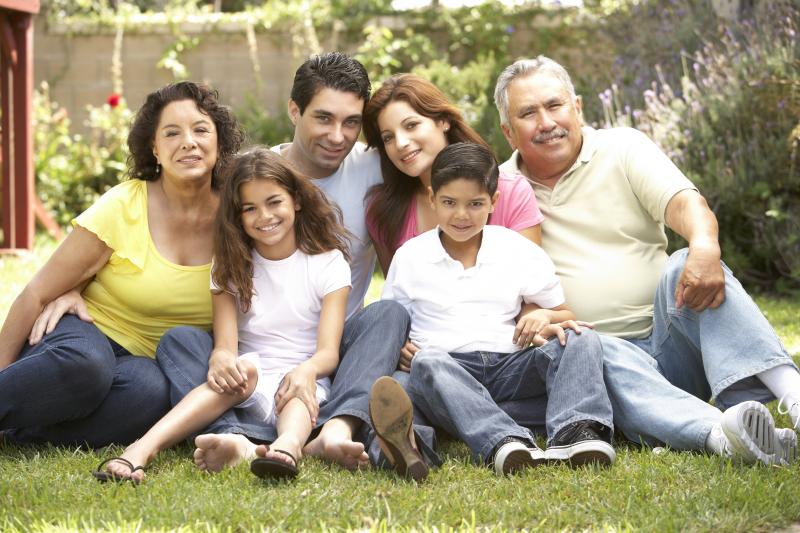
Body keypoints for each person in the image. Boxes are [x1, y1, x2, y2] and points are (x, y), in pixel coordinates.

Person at [493, 55, 798, 465]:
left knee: (684, 260)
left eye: (554, 105)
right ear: (509, 133)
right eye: (528, 113)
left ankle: (794, 396)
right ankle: (723, 433)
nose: (546, 122)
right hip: (595, 365)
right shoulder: (498, 192)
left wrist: (705, 247)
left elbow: (685, 204)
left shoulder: (623, 147)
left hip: (671, 340)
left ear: (577, 108)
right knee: (587, 342)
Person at [157, 52, 432, 474]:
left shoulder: (376, 168)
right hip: (256, 352)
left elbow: (441, 179)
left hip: (331, 347)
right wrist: (73, 284)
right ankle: (236, 435)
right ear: (294, 110)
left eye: (352, 122)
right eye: (323, 118)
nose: (338, 136)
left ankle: (335, 426)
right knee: (183, 343)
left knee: (388, 315)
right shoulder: (251, 175)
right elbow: (177, 209)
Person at [0, 82, 244, 447]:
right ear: (155, 148)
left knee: (152, 394)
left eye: (200, 130)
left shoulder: (239, 215)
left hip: (142, 364)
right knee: (87, 366)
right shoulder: (125, 205)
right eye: (172, 133)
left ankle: (19, 436)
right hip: (84, 334)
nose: (188, 142)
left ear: (220, 143)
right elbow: (36, 292)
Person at [92, 147, 351, 483]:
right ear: (237, 216)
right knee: (228, 366)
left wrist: (307, 370)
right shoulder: (231, 265)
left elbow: (328, 353)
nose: (265, 216)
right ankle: (141, 450)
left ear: (296, 201)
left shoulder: (327, 263)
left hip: (304, 377)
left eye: (274, 202)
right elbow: (226, 344)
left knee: (298, 390)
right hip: (250, 377)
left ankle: (287, 447)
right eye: (250, 208)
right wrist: (221, 358)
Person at [373, 142, 615, 476]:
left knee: (582, 338)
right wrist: (400, 347)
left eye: (475, 204)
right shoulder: (410, 256)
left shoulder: (515, 248)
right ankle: (505, 440)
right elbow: (392, 321)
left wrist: (542, 315)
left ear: (493, 202)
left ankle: (574, 432)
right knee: (425, 364)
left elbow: (564, 314)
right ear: (432, 199)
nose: (461, 215)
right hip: (446, 370)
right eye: (449, 203)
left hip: (511, 365)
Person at [362, 73, 543, 276]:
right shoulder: (384, 212)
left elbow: (533, 288)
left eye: (411, 125)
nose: (401, 143)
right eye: (388, 137)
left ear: (443, 122)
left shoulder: (511, 193)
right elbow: (398, 300)